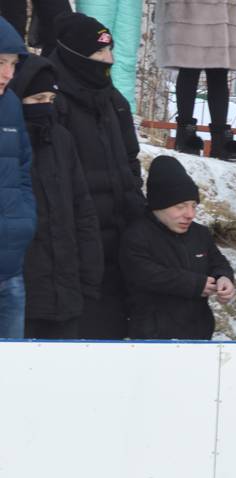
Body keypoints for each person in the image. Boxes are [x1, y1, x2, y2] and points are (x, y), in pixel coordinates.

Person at [48, 11, 144, 339]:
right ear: (76, 56)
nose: (110, 59)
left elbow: (132, 158)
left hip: (121, 233)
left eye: (110, 50)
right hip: (78, 241)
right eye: (100, 53)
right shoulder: (52, 101)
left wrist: (133, 195)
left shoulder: (114, 100)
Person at [17, 54, 101, 340]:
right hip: (22, 295)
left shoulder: (62, 140)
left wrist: (89, 277)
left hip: (67, 291)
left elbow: (82, 211)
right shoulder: (9, 144)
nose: (45, 107)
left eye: (50, 100)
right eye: (37, 98)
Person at [120, 154, 235, 340]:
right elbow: (147, 275)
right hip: (152, 337)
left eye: (193, 206)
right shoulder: (137, 235)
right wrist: (194, 284)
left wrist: (224, 277)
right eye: (180, 207)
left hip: (198, 332)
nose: (190, 214)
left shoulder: (200, 234)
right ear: (159, 205)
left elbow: (217, 261)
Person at [158, 0, 236, 161]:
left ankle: (221, 139)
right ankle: (185, 135)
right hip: (190, 8)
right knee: (190, 65)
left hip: (224, 7)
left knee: (219, 70)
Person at [0, 20, 31, 339]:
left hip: (10, 268)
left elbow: (23, 169)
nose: (9, 74)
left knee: (10, 376)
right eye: (0, 63)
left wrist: (24, 221)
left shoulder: (10, 104)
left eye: (13, 64)